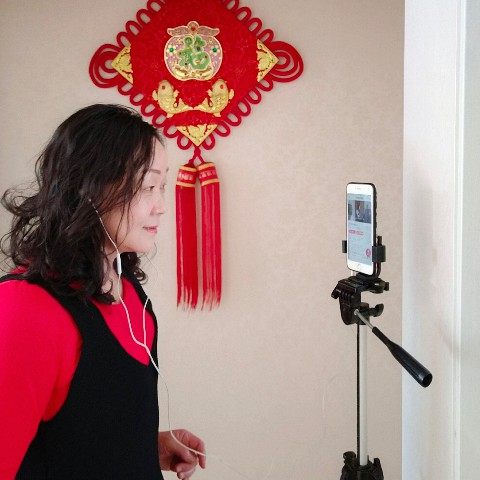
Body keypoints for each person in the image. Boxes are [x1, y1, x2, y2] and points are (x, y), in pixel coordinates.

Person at [0, 104, 206, 479]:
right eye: (148, 187)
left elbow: (84, 428)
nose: (162, 206)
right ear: (90, 187)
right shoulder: (27, 308)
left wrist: (147, 445)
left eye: (162, 187)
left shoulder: (129, 291)